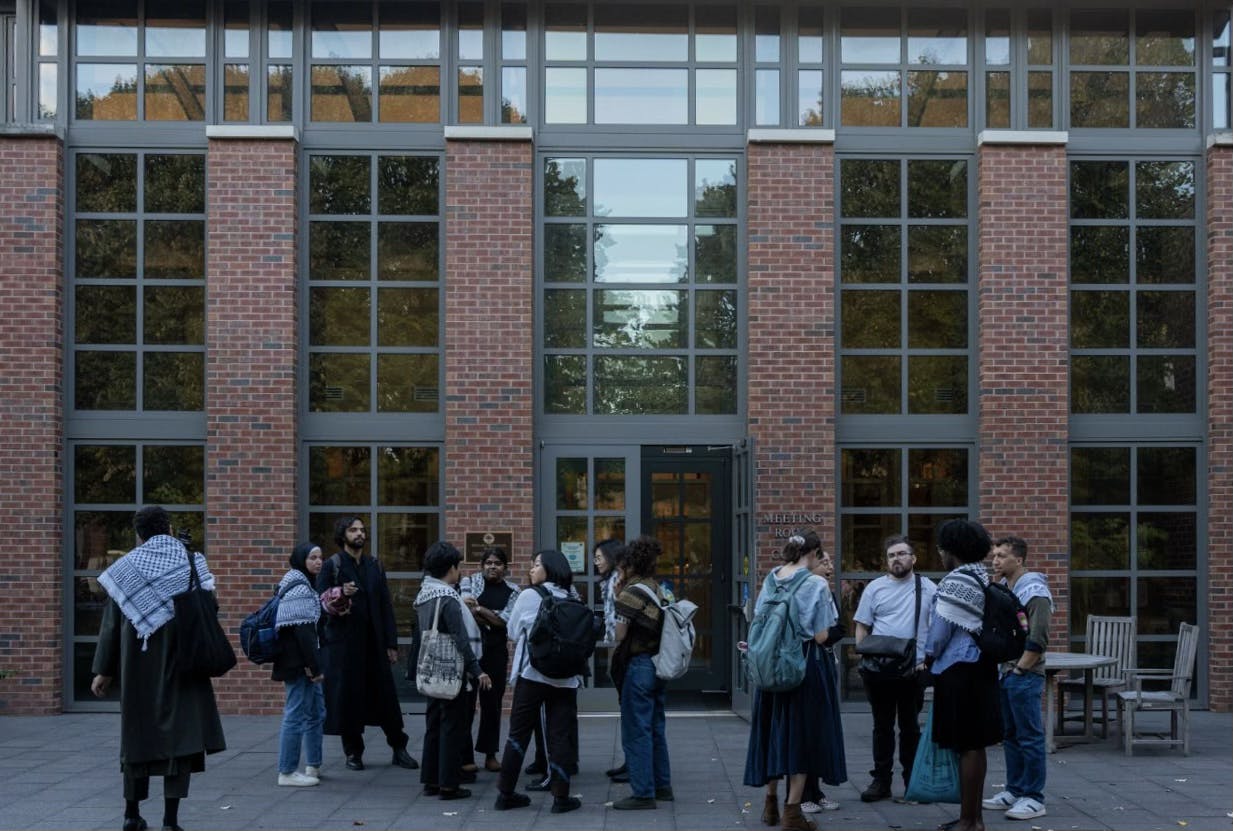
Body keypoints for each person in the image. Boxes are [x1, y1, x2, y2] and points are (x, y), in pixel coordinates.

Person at [91, 506, 226, 831]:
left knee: (136, 740)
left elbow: (111, 624)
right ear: (167, 527)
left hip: (139, 668)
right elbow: (212, 607)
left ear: (139, 533)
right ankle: (170, 821)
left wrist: (103, 670)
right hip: (184, 663)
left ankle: (131, 815)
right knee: (180, 744)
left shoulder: (125, 569)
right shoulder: (192, 562)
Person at [743, 533, 842, 831]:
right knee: (800, 737)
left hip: (770, 668)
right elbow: (823, 635)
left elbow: (758, 616)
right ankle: (792, 813)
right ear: (812, 553)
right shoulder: (816, 584)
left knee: (772, 733)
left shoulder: (772, 578)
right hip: (803, 668)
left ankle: (770, 803)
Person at [316, 516, 418, 772]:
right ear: (343, 535)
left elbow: (385, 606)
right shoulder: (333, 565)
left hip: (374, 643)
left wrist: (391, 643)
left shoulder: (375, 566)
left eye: (362, 530)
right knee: (348, 699)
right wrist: (341, 592)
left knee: (386, 699)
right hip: (345, 645)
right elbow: (320, 602)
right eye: (353, 530)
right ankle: (353, 752)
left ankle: (399, 747)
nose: (359, 534)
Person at [925, 519, 1004, 831]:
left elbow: (940, 633)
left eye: (942, 548)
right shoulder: (980, 576)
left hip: (960, 670)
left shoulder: (956, 581)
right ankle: (973, 818)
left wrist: (924, 659)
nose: (940, 553)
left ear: (952, 550)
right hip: (981, 668)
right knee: (975, 745)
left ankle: (969, 822)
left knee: (967, 745)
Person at [493, 550, 582, 815]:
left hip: (532, 673)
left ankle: (506, 793)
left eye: (536, 565)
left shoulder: (529, 595)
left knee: (518, 734)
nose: (531, 570)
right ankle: (561, 798)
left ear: (550, 569)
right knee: (560, 736)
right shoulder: (572, 597)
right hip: (566, 677)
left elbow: (511, 631)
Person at [853, 534, 937, 803]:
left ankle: (912, 781)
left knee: (911, 727)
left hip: (913, 668)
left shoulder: (928, 588)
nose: (896, 559)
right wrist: (864, 658)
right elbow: (862, 626)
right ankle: (881, 781)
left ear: (913, 558)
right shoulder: (875, 588)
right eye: (891, 555)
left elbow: (937, 628)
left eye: (901, 554)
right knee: (882, 727)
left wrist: (928, 661)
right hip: (878, 670)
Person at [982, 536, 1052, 821]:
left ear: (1019, 559)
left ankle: (1034, 797)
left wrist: (1020, 670)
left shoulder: (1034, 592)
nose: (995, 560)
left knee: (1030, 737)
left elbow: (1038, 639)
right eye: (994, 555)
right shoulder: (1003, 589)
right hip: (1006, 672)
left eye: (1001, 556)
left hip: (1024, 675)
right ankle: (1014, 790)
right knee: (1010, 736)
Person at [415, 541, 491, 800]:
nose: (459, 572)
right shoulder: (448, 598)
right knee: (452, 726)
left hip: (431, 667)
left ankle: (431, 780)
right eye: (458, 567)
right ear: (450, 568)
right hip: (451, 671)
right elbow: (460, 639)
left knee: (433, 723)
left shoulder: (424, 594)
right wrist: (477, 670)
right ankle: (449, 784)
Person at [609, 535, 673, 810]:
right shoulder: (656, 588)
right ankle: (662, 786)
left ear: (630, 564)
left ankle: (643, 793)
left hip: (639, 666)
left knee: (637, 730)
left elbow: (620, 634)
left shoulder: (631, 593)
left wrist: (617, 598)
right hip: (658, 664)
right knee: (656, 727)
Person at [460, 545, 521, 773]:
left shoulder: (513, 590)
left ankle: (490, 755)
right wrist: (489, 616)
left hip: (495, 653)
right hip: (472, 652)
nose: (492, 567)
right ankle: (465, 757)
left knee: (492, 705)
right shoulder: (470, 582)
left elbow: (504, 622)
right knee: (466, 703)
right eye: (488, 563)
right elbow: (465, 609)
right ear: (482, 565)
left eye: (497, 563)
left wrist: (480, 611)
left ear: (505, 567)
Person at [273, 542, 326, 787]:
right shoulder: (300, 587)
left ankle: (313, 765)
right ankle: (287, 771)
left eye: (320, 557)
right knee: (295, 714)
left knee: (316, 712)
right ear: (301, 560)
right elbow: (304, 633)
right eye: (313, 557)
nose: (318, 561)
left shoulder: (301, 583)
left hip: (301, 661)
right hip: (298, 664)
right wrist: (314, 668)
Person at [800, 540, 846, 814]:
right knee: (807, 730)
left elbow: (839, 627)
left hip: (824, 664)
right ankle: (803, 794)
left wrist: (828, 635)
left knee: (821, 730)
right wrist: (826, 635)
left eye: (830, 562)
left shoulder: (826, 594)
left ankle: (816, 791)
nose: (830, 567)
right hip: (808, 666)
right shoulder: (805, 593)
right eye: (824, 562)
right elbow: (822, 635)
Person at [594, 538, 629, 783]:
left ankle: (632, 763)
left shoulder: (618, 580)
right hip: (614, 645)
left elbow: (619, 617)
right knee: (625, 705)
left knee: (628, 706)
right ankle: (630, 761)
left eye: (599, 557)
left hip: (621, 646)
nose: (596, 562)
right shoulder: (609, 581)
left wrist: (616, 647)